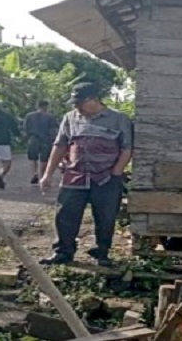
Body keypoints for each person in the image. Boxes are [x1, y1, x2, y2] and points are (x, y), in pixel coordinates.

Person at [39, 82, 133, 266]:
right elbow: (60, 146)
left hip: (106, 177)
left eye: (79, 103)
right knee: (65, 214)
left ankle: (102, 252)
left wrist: (116, 173)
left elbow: (126, 149)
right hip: (75, 175)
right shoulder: (70, 118)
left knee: (105, 216)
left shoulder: (119, 119)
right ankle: (63, 252)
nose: (76, 107)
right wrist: (47, 174)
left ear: (94, 100)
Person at [24, 100, 59, 185]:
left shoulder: (29, 116)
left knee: (32, 158)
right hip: (45, 139)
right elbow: (53, 129)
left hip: (33, 138)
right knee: (44, 159)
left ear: (37, 106)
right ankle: (42, 175)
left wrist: (28, 137)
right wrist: (54, 139)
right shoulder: (50, 117)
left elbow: (25, 128)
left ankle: (34, 174)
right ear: (46, 106)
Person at [0, 98, 21, 189]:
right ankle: (1, 176)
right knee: (7, 162)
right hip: (3, 141)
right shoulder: (6, 116)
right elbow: (14, 127)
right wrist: (19, 135)